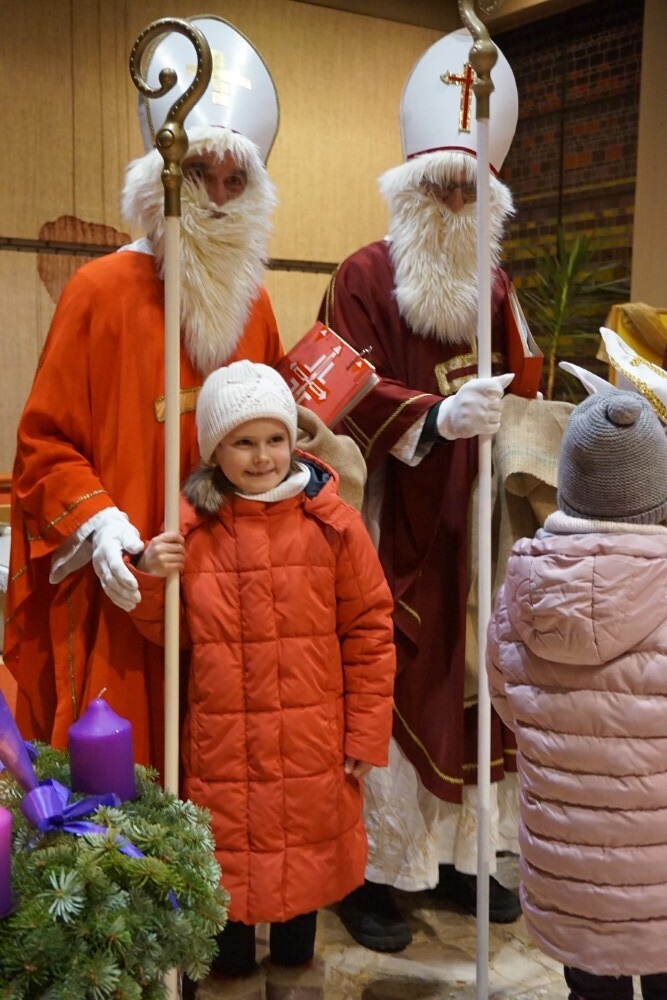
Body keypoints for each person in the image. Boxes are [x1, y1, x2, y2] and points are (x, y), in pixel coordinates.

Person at [3, 16, 283, 772]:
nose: (217, 197)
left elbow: (279, 431)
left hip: (232, 591)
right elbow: (43, 445)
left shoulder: (255, 305)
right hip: (127, 586)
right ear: (164, 176)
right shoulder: (98, 291)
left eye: (235, 180)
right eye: (198, 174)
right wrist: (100, 526)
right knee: (128, 782)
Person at [318, 28, 523, 950]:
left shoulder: (497, 288)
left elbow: (525, 387)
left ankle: (457, 860)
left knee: (475, 674)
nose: (452, 203)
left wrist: (513, 418)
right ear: (406, 190)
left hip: (470, 524)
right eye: (437, 187)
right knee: (385, 677)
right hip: (388, 518)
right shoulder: (361, 276)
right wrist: (432, 417)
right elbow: (327, 391)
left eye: (468, 191)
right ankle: (371, 876)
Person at [129, 360, 396, 997]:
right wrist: (151, 578)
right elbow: (170, 637)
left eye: (275, 438)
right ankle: (231, 981)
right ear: (213, 450)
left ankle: (295, 980)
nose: (262, 456)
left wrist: (366, 732)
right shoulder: (193, 531)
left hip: (313, 746)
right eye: (243, 441)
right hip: (226, 751)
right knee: (227, 882)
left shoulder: (333, 525)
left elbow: (370, 629)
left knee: (305, 877)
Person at [487, 390, 667, 1000]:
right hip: (659, 873)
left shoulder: (522, 587)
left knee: (590, 991)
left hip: (567, 864)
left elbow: (507, 702)